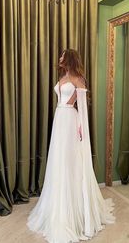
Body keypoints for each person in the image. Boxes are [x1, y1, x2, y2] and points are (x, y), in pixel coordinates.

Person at [27, 49, 115, 243]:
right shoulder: (63, 77)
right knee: (58, 160)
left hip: (70, 119)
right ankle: (56, 203)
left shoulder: (78, 79)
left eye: (62, 56)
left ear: (69, 59)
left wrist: (81, 128)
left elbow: (82, 108)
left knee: (69, 161)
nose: (59, 58)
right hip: (60, 118)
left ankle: (73, 209)